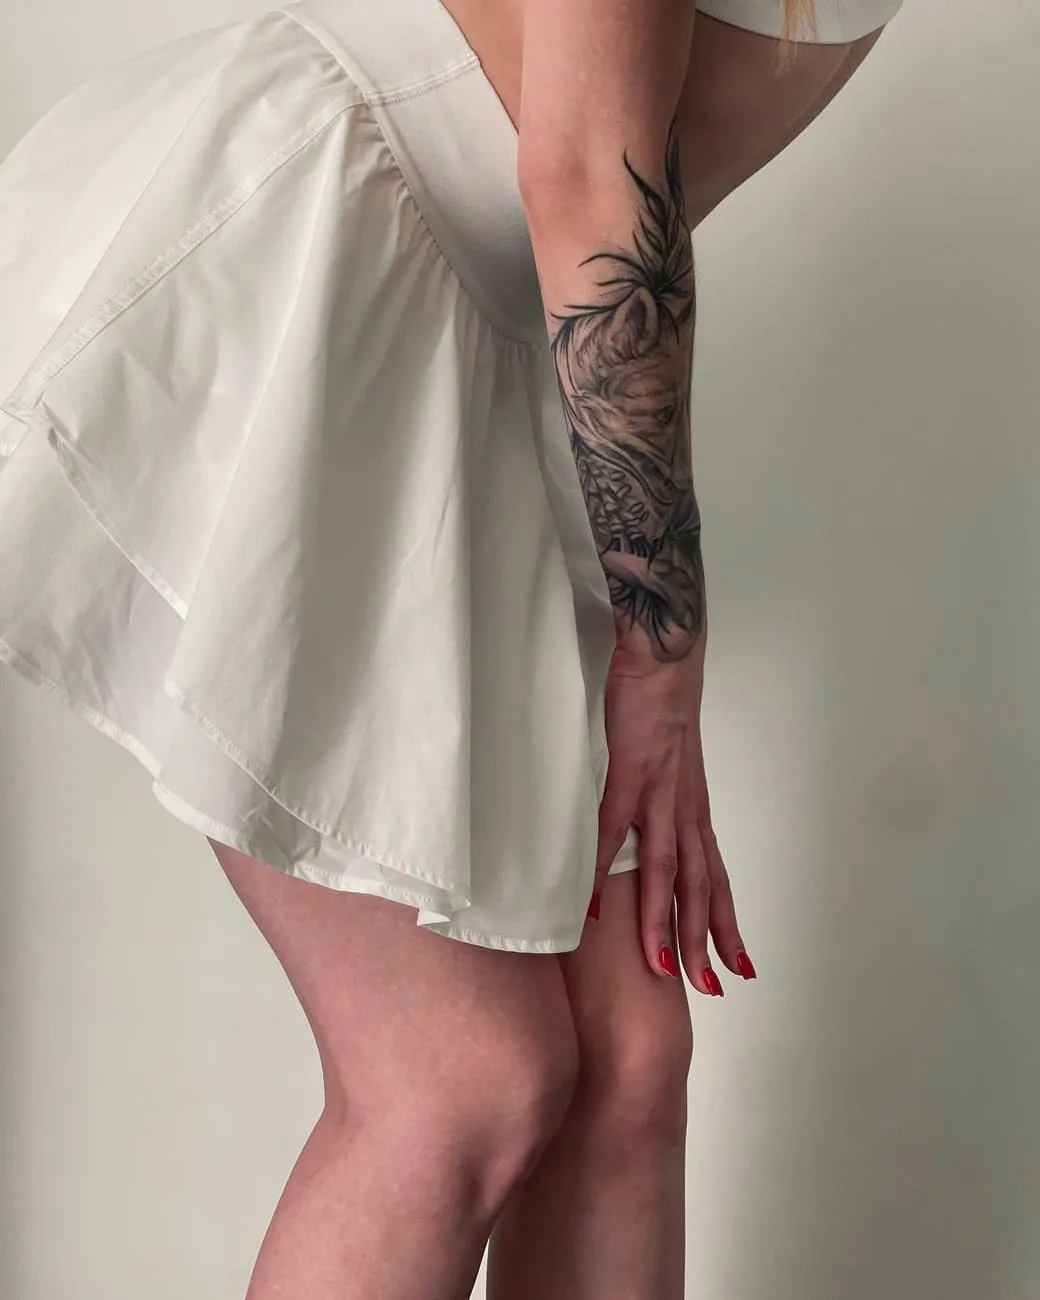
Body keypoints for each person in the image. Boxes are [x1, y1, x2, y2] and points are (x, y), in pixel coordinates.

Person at [0, 0, 903, 1295]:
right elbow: (586, 175)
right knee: (455, 1079)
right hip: (317, 256)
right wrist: (662, 657)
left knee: (628, 1069)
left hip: (495, 323)